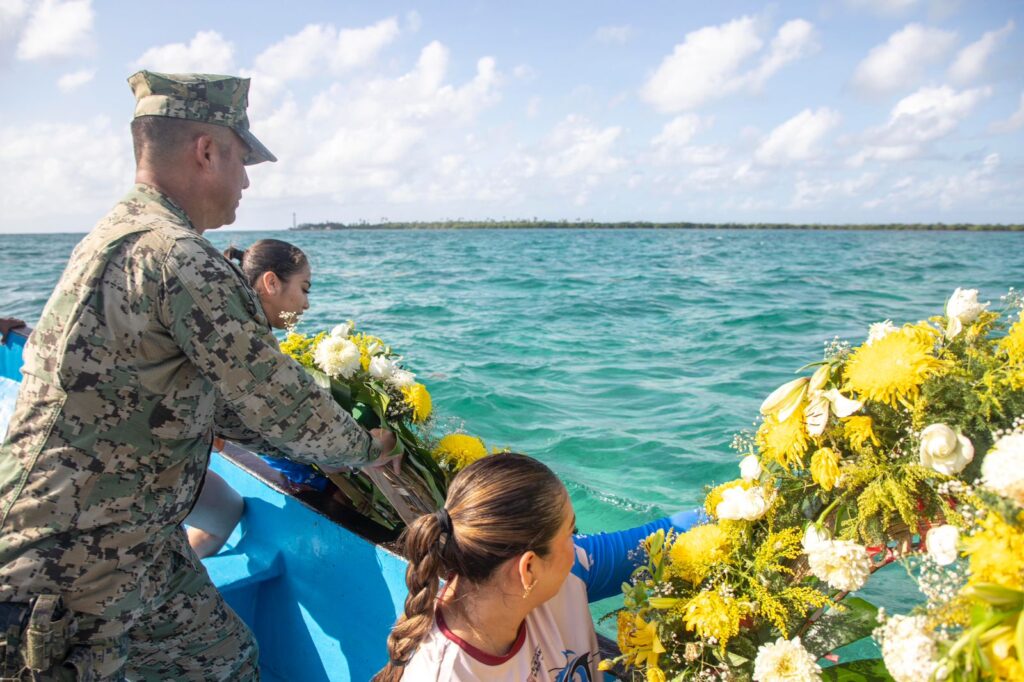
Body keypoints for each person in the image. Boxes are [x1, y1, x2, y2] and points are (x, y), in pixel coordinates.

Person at [0, 71, 398, 681]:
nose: (244, 180)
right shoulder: (175, 255)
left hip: (138, 538)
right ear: (206, 151)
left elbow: (223, 407)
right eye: (241, 160)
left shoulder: (120, 235)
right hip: (67, 555)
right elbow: (280, 403)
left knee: (226, 663)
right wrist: (368, 448)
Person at [374, 453, 702, 681]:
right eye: (570, 533)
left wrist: (744, 503)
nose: (578, 544)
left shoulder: (562, 575)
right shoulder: (447, 673)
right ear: (527, 569)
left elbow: (669, 536)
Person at [185, 240, 318, 558]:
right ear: (271, 283)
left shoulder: (223, 315)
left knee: (227, 510)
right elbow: (268, 425)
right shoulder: (244, 337)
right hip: (139, 464)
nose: (307, 304)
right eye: (305, 288)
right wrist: (363, 451)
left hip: (169, 455)